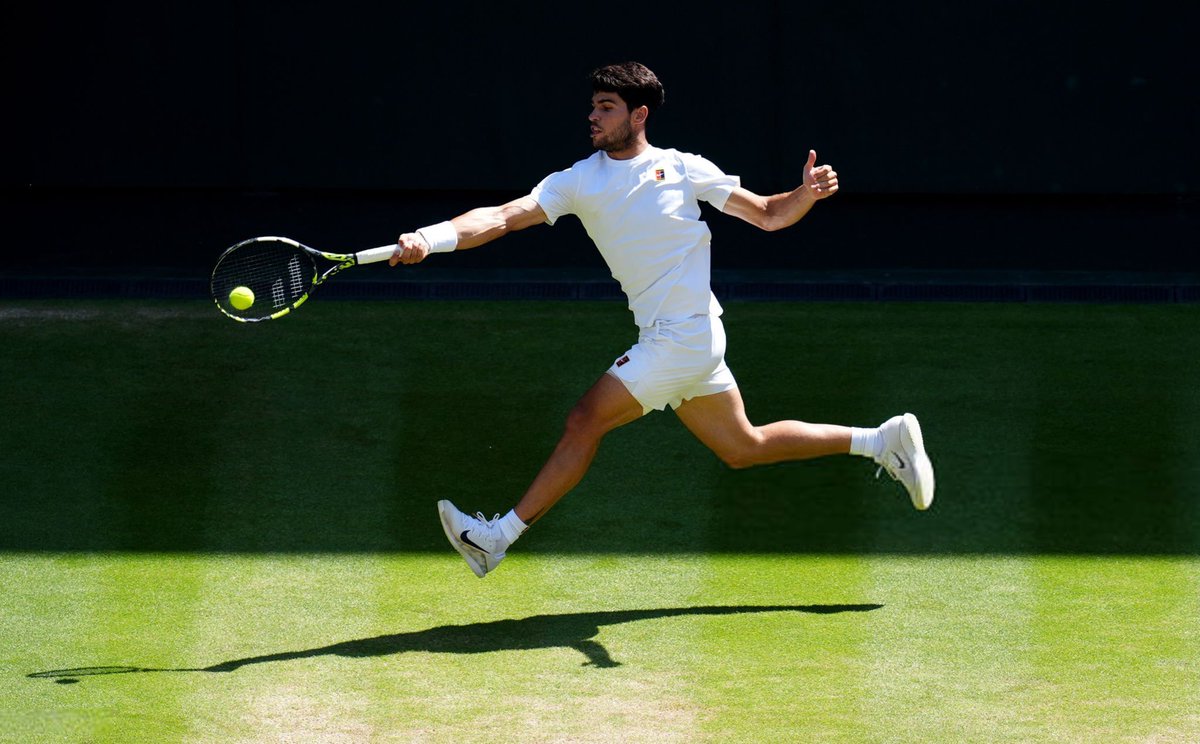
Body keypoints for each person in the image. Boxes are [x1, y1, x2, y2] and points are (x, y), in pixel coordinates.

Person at [389, 62, 934, 578]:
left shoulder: (683, 168)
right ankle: (879, 440)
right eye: (594, 107)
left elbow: (769, 214)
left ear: (638, 115)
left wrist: (804, 194)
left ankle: (495, 539)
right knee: (744, 447)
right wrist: (430, 239)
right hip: (683, 338)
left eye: (606, 107)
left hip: (684, 337)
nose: (593, 117)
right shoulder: (579, 180)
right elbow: (501, 217)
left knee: (585, 420)